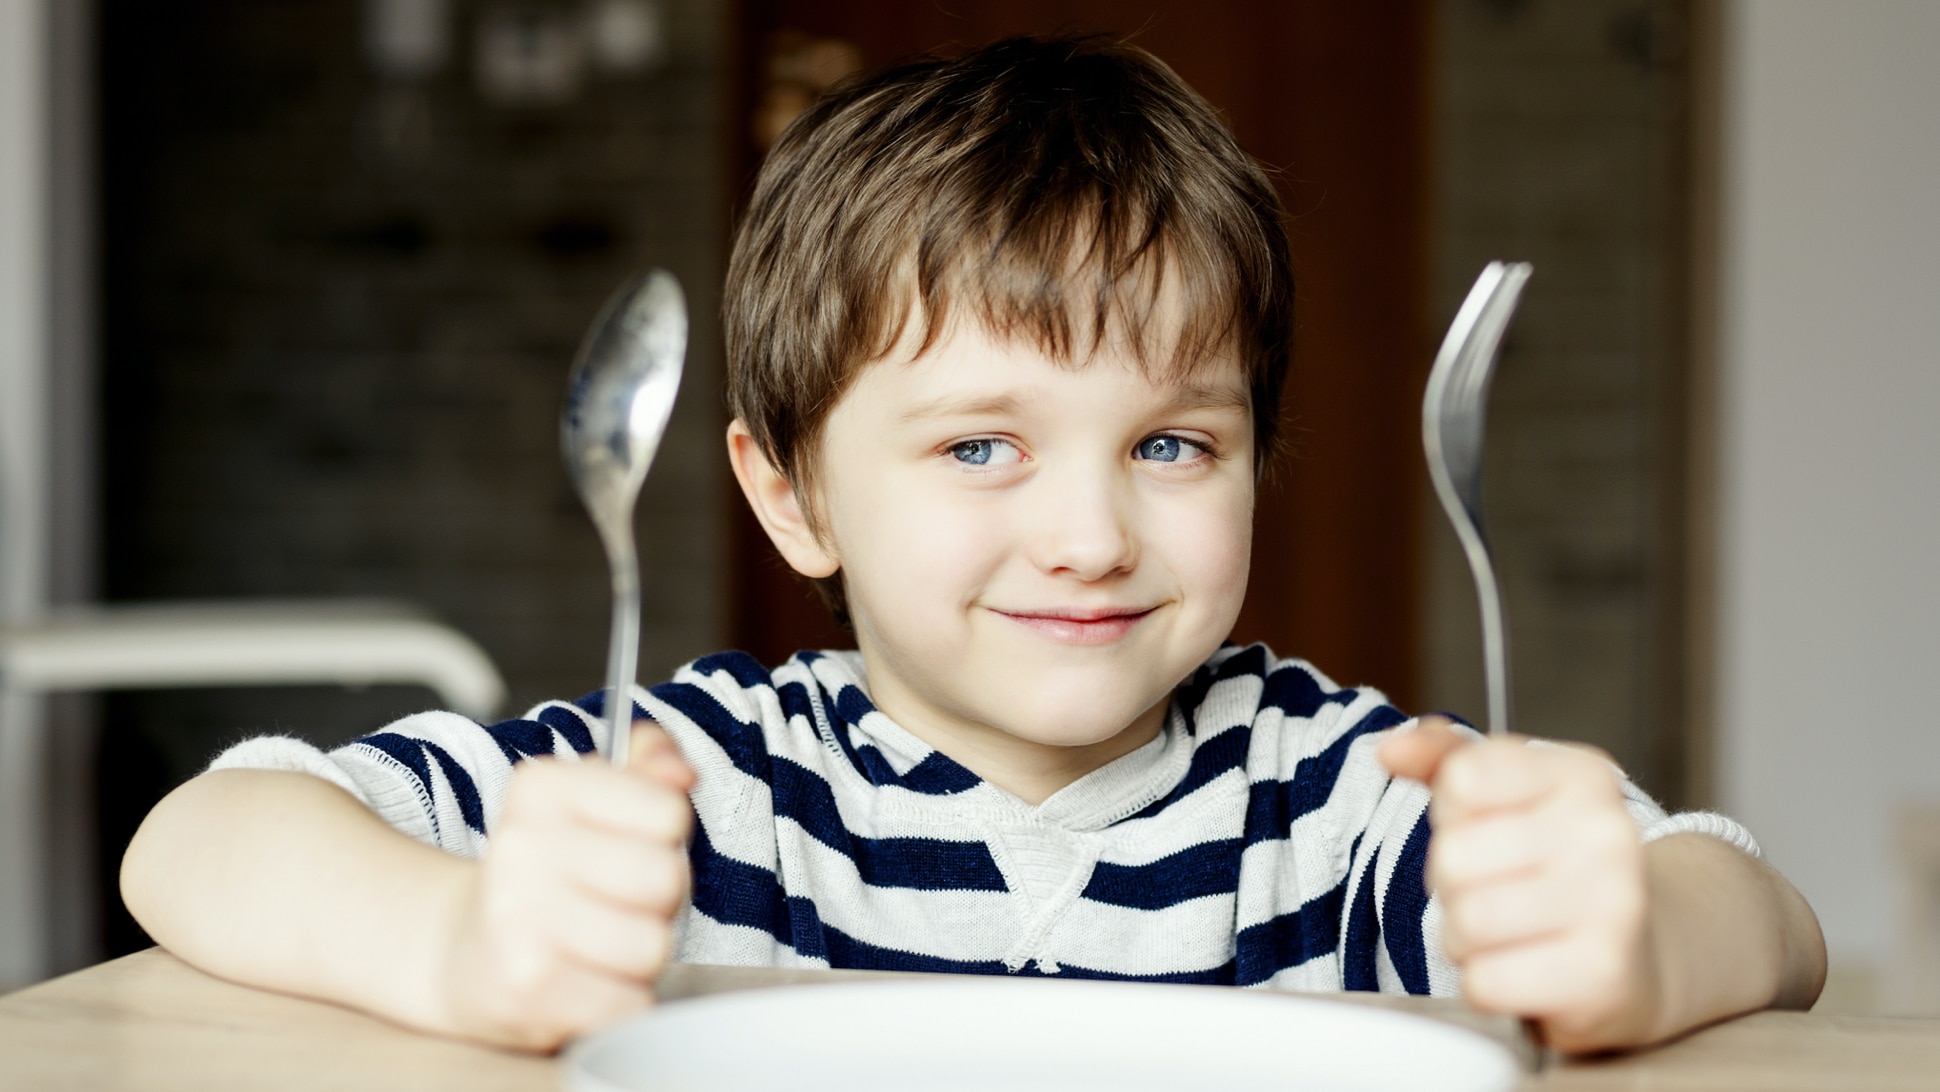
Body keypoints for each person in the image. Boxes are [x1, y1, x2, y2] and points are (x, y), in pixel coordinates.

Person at [120, 35, 1825, 1056]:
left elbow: (1772, 918)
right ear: (790, 493)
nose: (1087, 533)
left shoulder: (1347, 798)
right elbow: (204, 835)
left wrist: (1640, 946)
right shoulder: (699, 782)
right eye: (981, 446)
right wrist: (459, 949)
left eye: (1172, 443)